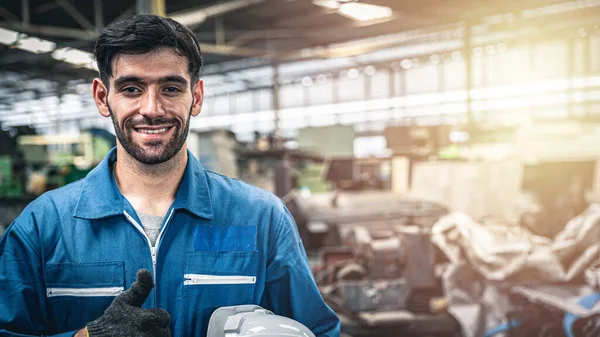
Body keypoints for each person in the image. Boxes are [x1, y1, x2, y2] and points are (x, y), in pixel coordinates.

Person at [0, 15, 340, 337]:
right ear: (103, 97)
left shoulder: (261, 219)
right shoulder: (42, 228)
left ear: (197, 96)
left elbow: (317, 330)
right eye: (132, 89)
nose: (152, 109)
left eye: (171, 88)